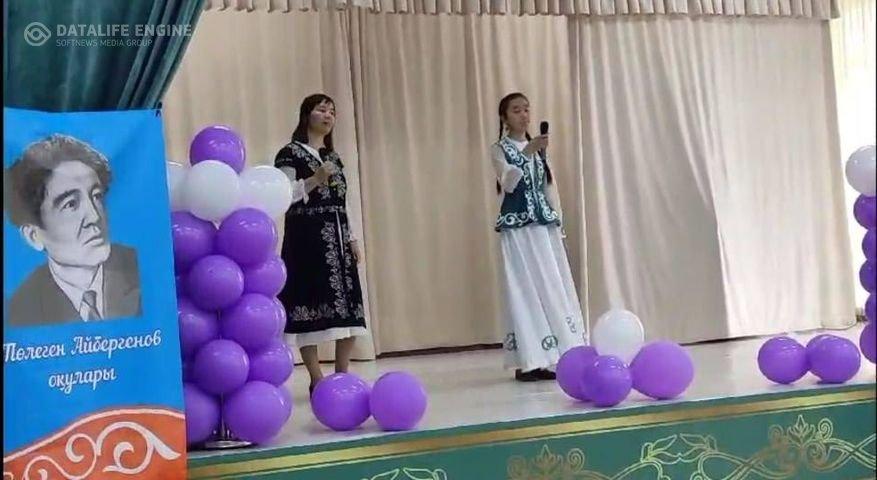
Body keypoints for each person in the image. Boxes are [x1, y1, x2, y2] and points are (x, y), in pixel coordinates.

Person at [274, 94, 367, 395]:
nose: (328, 116)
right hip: (306, 237)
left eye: (332, 112)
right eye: (321, 109)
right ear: (307, 115)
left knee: (350, 307)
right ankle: (317, 378)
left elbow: (343, 201)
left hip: (338, 237)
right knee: (309, 304)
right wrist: (314, 179)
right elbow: (283, 194)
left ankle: (342, 375)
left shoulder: (333, 157)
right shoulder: (289, 153)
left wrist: (352, 238)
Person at [491, 92, 587, 382]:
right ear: (505, 118)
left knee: (550, 283)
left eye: (526, 110)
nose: (523, 115)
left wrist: (558, 222)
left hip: (543, 225)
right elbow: (508, 183)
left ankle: (552, 354)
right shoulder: (500, 149)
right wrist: (527, 154)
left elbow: (547, 186)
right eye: (516, 110)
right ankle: (528, 359)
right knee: (524, 287)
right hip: (519, 227)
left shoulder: (538, 149)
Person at [4, 134, 141, 327]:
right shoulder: (20, 313)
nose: (94, 216)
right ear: (34, 236)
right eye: (70, 204)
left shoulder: (143, 268)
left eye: (96, 196)